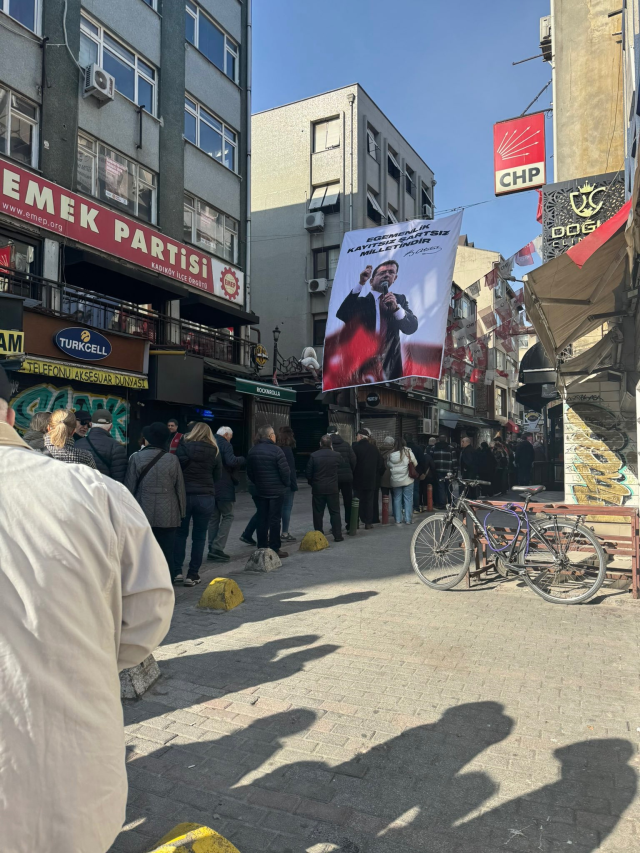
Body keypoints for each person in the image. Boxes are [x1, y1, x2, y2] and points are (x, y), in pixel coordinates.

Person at [0, 365, 174, 853]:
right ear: (12, 414)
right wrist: (83, 653)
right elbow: (148, 617)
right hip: (72, 786)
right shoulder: (95, 493)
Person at [336, 261, 419, 382]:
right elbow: (342, 313)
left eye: (391, 272)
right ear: (371, 280)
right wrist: (361, 283)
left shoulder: (399, 300)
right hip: (362, 364)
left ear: (395, 278)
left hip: (390, 366)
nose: (387, 275)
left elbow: (411, 328)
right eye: (382, 272)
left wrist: (396, 309)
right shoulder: (360, 302)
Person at [125, 422, 186, 580]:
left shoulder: (136, 458)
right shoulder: (172, 459)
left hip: (142, 512)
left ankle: (145, 585)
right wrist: (182, 512)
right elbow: (179, 488)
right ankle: (167, 585)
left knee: (143, 552)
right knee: (167, 552)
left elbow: (129, 488)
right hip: (169, 514)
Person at [174, 422, 222, 586]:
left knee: (180, 534)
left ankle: (177, 572)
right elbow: (218, 475)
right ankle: (192, 574)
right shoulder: (214, 451)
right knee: (199, 536)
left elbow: (177, 469)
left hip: (185, 496)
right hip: (205, 496)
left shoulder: (184, 446)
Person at [246, 424, 291, 557]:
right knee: (275, 519)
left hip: (260, 490)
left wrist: (258, 483)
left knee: (262, 518)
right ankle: (275, 547)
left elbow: (250, 472)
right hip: (276, 491)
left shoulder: (253, 451)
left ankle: (261, 546)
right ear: (271, 436)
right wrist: (285, 484)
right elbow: (285, 471)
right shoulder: (277, 450)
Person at [207, 426, 246, 562]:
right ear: (226, 435)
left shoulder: (210, 443)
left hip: (211, 486)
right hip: (224, 487)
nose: (230, 439)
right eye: (230, 436)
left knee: (213, 518)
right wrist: (241, 459)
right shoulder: (225, 444)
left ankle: (211, 547)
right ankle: (218, 547)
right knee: (228, 516)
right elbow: (231, 461)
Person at [306, 435, 343, 541]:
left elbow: (308, 473)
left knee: (318, 512)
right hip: (332, 488)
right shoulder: (337, 455)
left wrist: (313, 483)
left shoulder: (314, 456)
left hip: (318, 488)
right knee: (335, 512)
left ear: (320, 444)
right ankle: (338, 535)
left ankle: (319, 535)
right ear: (331, 444)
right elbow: (341, 467)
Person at [75, 407, 127, 482]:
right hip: (104, 492)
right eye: (83, 423)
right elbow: (119, 482)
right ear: (110, 427)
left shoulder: (77, 444)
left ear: (91, 424)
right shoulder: (117, 447)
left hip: (81, 491)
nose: (85, 427)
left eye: (88, 425)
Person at [352, 427, 386, 529]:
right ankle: (368, 522)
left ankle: (356, 522)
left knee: (356, 501)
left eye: (357, 436)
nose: (356, 438)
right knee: (369, 501)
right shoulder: (374, 448)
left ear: (360, 436)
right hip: (371, 480)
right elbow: (381, 465)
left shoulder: (354, 448)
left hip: (357, 479)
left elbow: (352, 462)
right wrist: (376, 474)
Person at [328, 424, 356, 529]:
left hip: (333, 477)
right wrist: (350, 471)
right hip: (347, 477)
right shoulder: (346, 444)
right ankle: (349, 524)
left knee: (334, 503)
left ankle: (335, 526)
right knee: (348, 501)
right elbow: (353, 460)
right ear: (337, 433)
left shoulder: (328, 446)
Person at [387, 437, 418, 525]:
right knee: (408, 499)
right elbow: (415, 463)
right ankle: (408, 519)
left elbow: (388, 464)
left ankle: (398, 519)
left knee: (397, 499)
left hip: (395, 480)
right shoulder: (408, 452)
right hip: (407, 479)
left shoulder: (391, 454)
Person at [276, 425, 298, 543]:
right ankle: (284, 532)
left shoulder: (276, 448)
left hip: (277, 483)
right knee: (287, 507)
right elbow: (291, 469)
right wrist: (293, 484)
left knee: (276, 508)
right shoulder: (287, 450)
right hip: (287, 484)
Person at [404, 433, 427, 512]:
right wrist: (421, 472)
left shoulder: (402, 449)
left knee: (404, 490)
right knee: (416, 490)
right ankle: (416, 508)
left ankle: (404, 508)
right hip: (415, 472)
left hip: (404, 472)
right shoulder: (418, 448)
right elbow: (422, 461)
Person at [431, 434, 455, 508]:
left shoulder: (433, 448)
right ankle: (451, 503)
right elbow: (454, 460)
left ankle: (442, 504)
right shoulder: (451, 448)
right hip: (449, 471)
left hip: (438, 470)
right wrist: (455, 470)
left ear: (439, 439)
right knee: (449, 486)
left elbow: (431, 459)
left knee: (440, 487)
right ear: (445, 439)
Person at [379, 435, 396, 521]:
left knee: (384, 496)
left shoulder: (379, 451)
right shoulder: (395, 452)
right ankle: (395, 512)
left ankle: (385, 511)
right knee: (395, 496)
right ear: (392, 443)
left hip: (383, 477)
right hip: (393, 476)